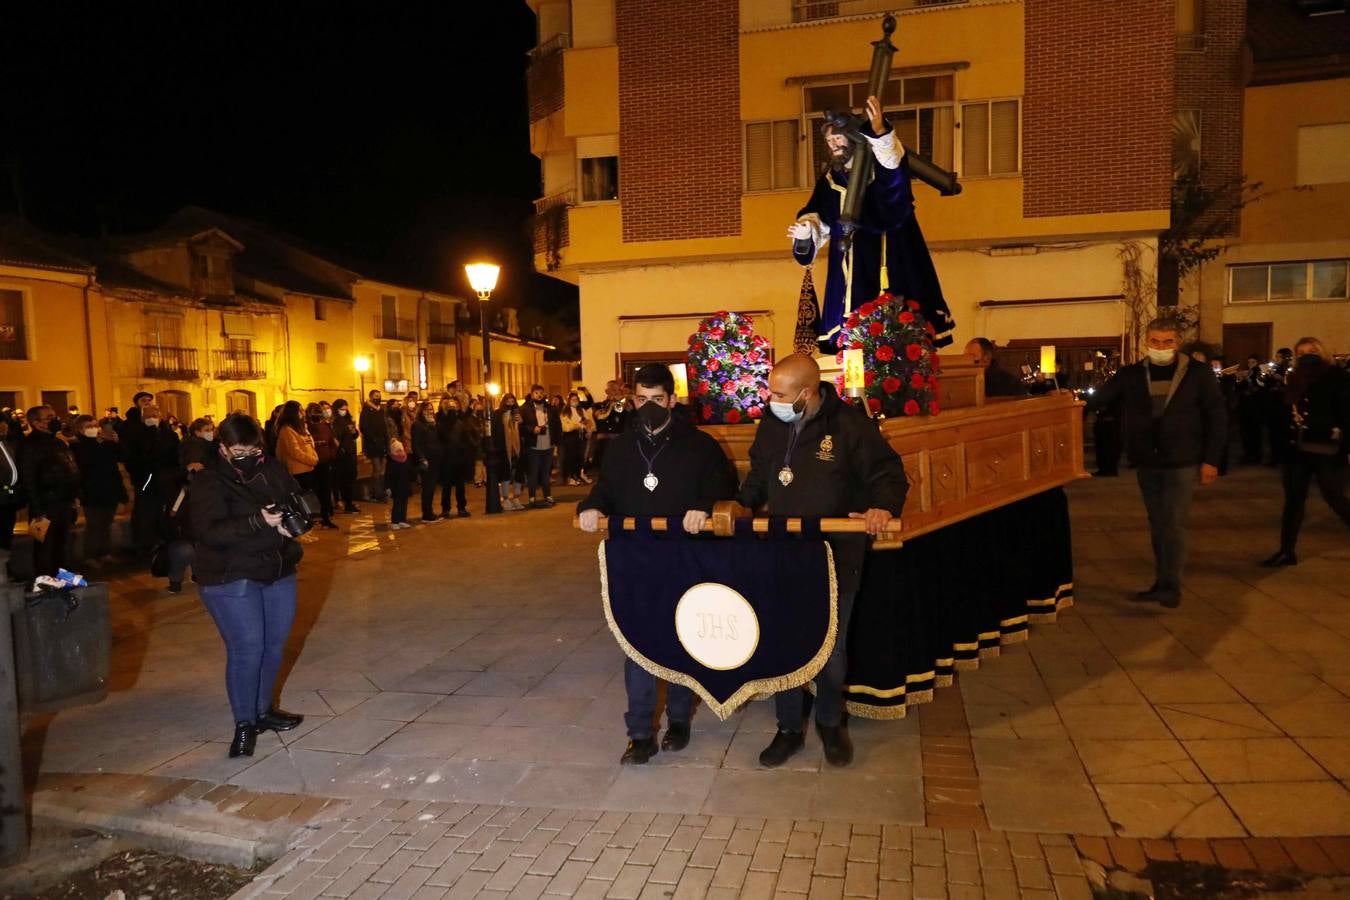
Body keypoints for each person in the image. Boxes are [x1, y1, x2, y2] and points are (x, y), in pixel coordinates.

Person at [738, 354, 907, 768]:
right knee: (783, 642)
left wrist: (881, 508)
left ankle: (830, 723)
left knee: (831, 650)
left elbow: (889, 475)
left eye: (778, 394)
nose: (769, 399)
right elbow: (759, 477)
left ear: (807, 393)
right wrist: (736, 508)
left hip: (835, 554)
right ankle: (788, 728)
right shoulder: (771, 424)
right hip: (782, 553)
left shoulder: (850, 426)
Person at [578, 363, 737, 764]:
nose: (649, 407)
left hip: (684, 555)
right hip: (635, 556)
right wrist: (591, 507)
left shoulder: (699, 445)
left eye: (657, 399)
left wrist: (702, 508)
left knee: (682, 639)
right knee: (636, 643)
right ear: (633, 401)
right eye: (642, 400)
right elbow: (606, 490)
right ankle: (640, 733)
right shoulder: (619, 446)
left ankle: (680, 719)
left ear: (672, 399)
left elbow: (723, 487)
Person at [789, 95, 955, 351]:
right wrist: (805, 231)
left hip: (890, 250)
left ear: (853, 137)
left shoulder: (880, 167)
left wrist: (879, 131)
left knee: (897, 317)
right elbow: (819, 215)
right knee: (852, 327)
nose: (832, 144)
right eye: (829, 140)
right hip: (850, 262)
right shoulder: (831, 179)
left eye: (837, 137)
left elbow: (894, 170)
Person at [1087, 318, 1226, 608]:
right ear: (1146, 342)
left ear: (1178, 342)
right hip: (1147, 459)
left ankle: (1170, 586)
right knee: (1157, 523)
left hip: (1182, 460)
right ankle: (1161, 581)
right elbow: (1101, 398)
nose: (1161, 347)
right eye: (1155, 341)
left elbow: (1216, 417)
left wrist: (1211, 460)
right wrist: (1065, 402)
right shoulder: (1132, 374)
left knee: (1173, 523)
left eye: (1168, 342)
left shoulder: (1198, 374)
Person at [189, 413, 306, 758]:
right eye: (238, 450)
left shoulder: (270, 469)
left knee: (274, 645)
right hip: (230, 575)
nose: (247, 455)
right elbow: (208, 531)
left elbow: (294, 498)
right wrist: (257, 521)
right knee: (247, 649)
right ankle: (244, 724)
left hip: (277, 569)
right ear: (222, 448)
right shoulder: (208, 481)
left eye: (252, 448)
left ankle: (263, 710)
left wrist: (290, 522)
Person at [1261, 337, 1350, 567]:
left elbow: (1345, 412)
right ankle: (1286, 550)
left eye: (1312, 351)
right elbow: (1283, 409)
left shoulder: (1335, 376)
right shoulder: (1294, 377)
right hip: (1296, 448)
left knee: (1335, 496)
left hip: (1326, 447)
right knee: (1293, 500)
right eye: (1301, 353)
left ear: (1322, 352)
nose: (1307, 355)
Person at [20, 406, 81, 577]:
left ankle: (65, 579)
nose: (55, 420)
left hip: (64, 503)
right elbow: (29, 478)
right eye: (49, 417)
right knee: (45, 547)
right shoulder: (30, 445)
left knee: (64, 545)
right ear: (36, 423)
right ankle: (46, 581)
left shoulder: (57, 442)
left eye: (55, 416)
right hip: (45, 506)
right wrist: (38, 510)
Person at [123, 403, 182, 557]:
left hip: (166, 479)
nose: (151, 419)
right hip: (146, 480)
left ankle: (163, 539)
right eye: (148, 416)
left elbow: (175, 455)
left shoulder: (169, 434)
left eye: (154, 416)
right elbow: (132, 457)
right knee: (145, 512)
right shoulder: (137, 434)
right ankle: (144, 543)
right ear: (142, 418)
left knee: (164, 511)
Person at [72, 414, 126, 567]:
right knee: (94, 526)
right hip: (92, 492)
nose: (93, 429)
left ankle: (104, 553)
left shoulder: (106, 445)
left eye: (95, 426)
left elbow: (120, 459)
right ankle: (90, 555)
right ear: (80, 430)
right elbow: (85, 464)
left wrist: (117, 443)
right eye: (89, 427)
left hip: (109, 491)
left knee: (107, 524)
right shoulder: (78, 446)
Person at [275, 401, 327, 530]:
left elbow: (309, 444)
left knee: (308, 502)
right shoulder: (287, 430)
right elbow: (295, 451)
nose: (302, 413)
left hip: (308, 469)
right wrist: (312, 459)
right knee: (300, 503)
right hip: (298, 471)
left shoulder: (300, 428)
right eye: (300, 411)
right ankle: (302, 530)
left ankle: (308, 527)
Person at [520, 384, 561, 507]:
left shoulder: (550, 409)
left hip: (548, 445)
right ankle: (532, 497)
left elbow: (557, 426)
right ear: (532, 394)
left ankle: (547, 495)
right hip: (533, 446)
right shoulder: (525, 409)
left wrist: (557, 443)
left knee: (546, 473)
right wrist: (532, 429)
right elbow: (520, 427)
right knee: (533, 473)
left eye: (541, 393)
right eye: (536, 393)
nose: (539, 395)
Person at [436, 397, 474, 518]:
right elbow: (440, 441)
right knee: (446, 486)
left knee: (460, 486)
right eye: (449, 407)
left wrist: (465, 455)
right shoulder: (441, 424)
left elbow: (466, 440)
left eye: (454, 407)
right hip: (447, 459)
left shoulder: (461, 424)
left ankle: (461, 507)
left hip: (459, 459)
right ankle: (445, 509)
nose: (452, 410)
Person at [411, 401, 447, 524]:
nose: (430, 412)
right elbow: (415, 444)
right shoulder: (417, 425)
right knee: (427, 487)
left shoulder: (433, 424)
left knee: (432, 488)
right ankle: (427, 513)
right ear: (421, 411)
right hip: (427, 460)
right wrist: (422, 458)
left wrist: (435, 425)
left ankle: (429, 511)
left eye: (431, 409)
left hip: (436, 459)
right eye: (427, 409)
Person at [305, 402, 339, 529]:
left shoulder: (325, 426)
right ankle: (312, 518)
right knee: (312, 491)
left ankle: (325, 517)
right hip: (311, 464)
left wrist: (331, 456)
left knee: (325, 490)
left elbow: (331, 443)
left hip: (324, 462)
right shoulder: (305, 428)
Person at [492, 393, 526, 510]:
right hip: (503, 448)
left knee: (518, 473)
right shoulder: (498, 414)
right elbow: (495, 431)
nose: (510, 404)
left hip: (517, 448)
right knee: (505, 474)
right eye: (508, 402)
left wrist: (521, 423)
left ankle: (516, 497)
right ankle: (505, 498)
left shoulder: (518, 414)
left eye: (512, 402)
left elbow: (524, 431)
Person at [963, 338, 1028, 398]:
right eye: (965, 357)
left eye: (972, 356)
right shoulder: (966, 380)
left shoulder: (1010, 383)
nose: (967, 360)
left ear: (987, 357)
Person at [0, 412, 22, 577]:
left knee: (7, 534)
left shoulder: (6, 445)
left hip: (9, 498)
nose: (3, 428)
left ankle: (8, 568)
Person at [330, 399, 361, 514]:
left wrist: (354, 431)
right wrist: (341, 448)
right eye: (341, 409)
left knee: (351, 478)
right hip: (342, 454)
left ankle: (349, 502)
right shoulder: (335, 422)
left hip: (351, 453)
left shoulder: (348, 420)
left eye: (345, 409)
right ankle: (346, 502)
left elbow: (354, 435)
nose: (344, 411)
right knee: (344, 480)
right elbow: (336, 437)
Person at [386, 402, 413, 529]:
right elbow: (388, 476)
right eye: (398, 451)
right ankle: (395, 521)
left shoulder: (405, 460)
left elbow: (409, 471)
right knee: (397, 503)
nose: (400, 453)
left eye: (401, 451)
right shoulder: (392, 463)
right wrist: (388, 487)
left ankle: (402, 519)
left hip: (404, 486)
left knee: (404, 502)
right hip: (396, 487)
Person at [1238, 354, 1269, 464]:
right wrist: (1240, 378)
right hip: (1245, 407)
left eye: (1253, 362)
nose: (1250, 364)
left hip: (1256, 408)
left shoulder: (1260, 373)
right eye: (1249, 362)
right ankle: (1247, 455)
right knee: (1245, 433)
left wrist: (1251, 379)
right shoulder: (1246, 372)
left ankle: (1256, 456)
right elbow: (1239, 388)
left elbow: (1262, 386)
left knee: (1255, 433)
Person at [359, 389, 389, 502]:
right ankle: (378, 493)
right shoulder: (366, 411)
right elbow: (364, 428)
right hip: (373, 444)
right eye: (376, 396)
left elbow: (385, 426)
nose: (378, 398)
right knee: (377, 469)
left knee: (382, 469)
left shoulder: (381, 410)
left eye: (379, 396)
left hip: (383, 444)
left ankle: (381, 490)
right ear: (371, 397)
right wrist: (374, 439)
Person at [559, 391, 591, 486]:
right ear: (569, 401)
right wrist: (577, 425)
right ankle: (570, 477)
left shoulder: (581, 411)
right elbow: (566, 426)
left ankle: (577, 475)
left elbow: (588, 421)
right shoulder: (565, 411)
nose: (575, 401)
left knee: (579, 458)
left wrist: (588, 430)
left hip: (580, 436)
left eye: (576, 399)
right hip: (570, 437)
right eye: (572, 399)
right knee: (570, 458)